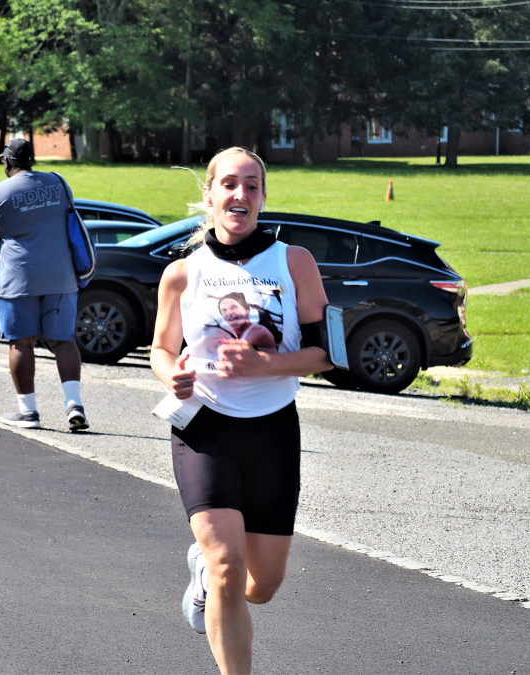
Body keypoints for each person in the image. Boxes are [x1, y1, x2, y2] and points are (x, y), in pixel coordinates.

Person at [150, 147, 332, 674]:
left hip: (272, 431)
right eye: (229, 184)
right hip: (203, 428)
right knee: (228, 566)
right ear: (209, 194)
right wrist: (171, 374)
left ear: (263, 198)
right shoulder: (182, 274)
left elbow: (324, 355)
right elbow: (161, 349)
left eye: (252, 185)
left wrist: (265, 365)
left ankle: (204, 575)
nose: (241, 194)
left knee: (261, 586)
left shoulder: (293, 262)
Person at [0, 138, 89, 432]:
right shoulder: (58, 183)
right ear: (32, 159)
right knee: (63, 341)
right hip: (61, 277)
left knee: (21, 343)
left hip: (19, 278)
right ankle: (74, 406)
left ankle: (28, 412)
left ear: (6, 162)